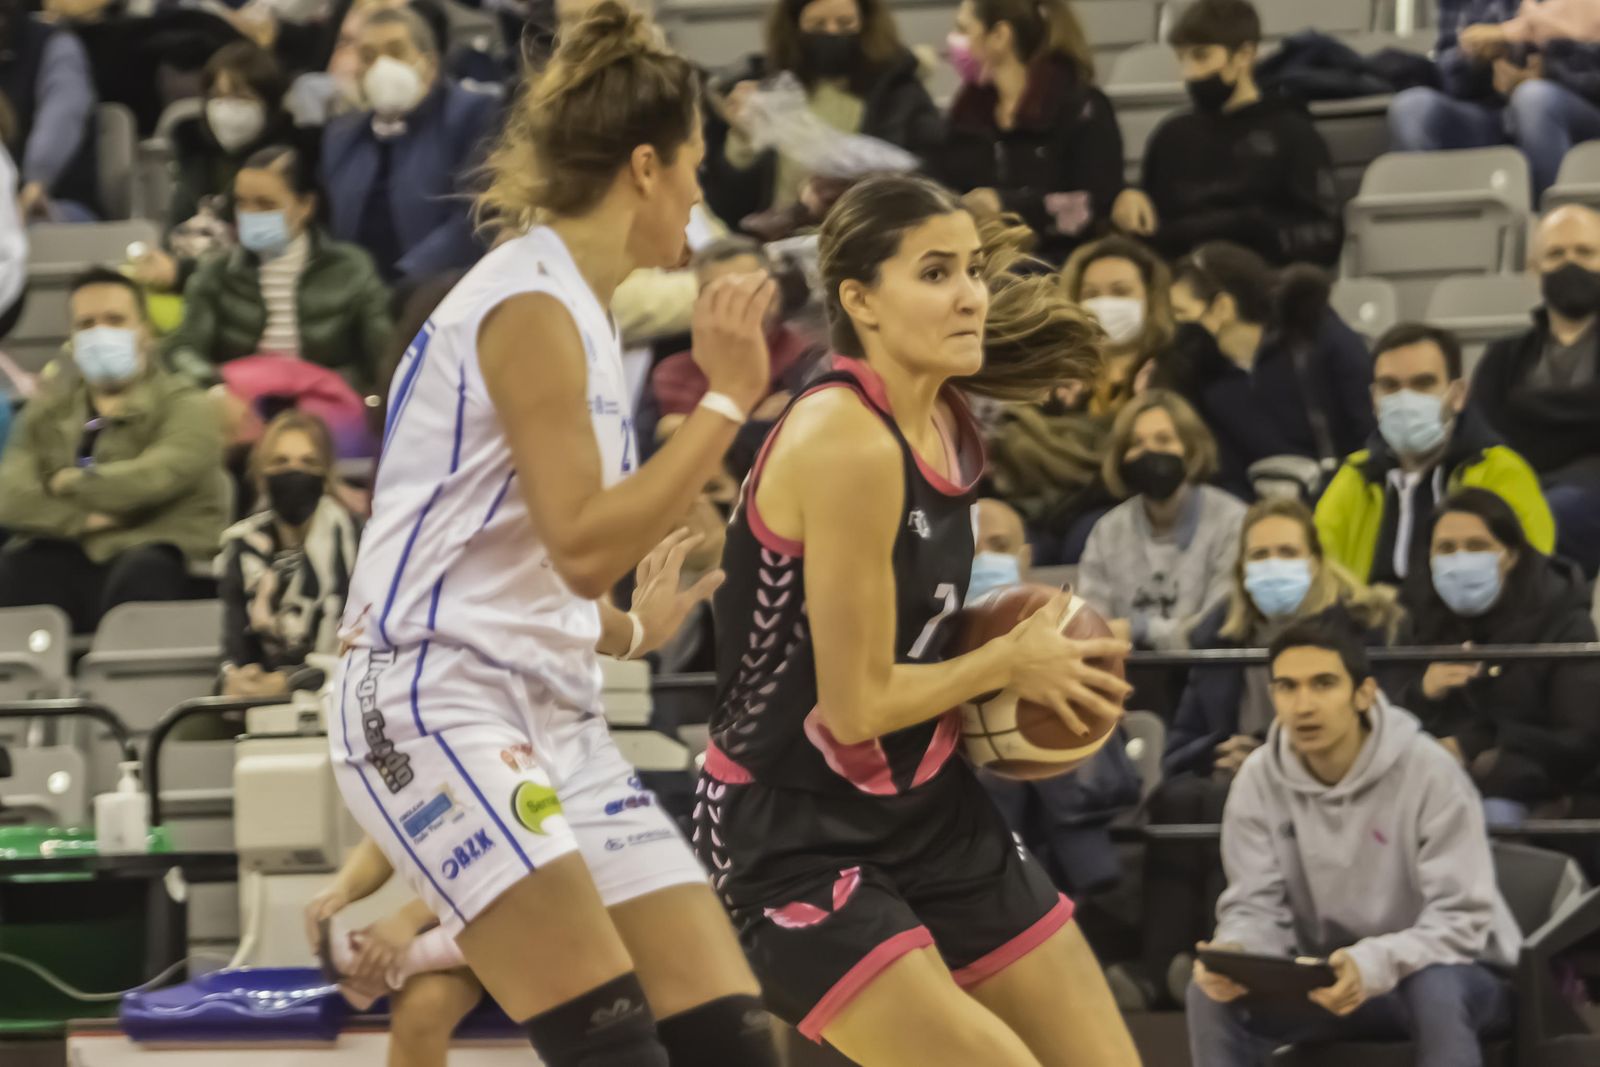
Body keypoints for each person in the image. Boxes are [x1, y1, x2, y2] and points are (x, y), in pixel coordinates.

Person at [330, 7, 784, 1065]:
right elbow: (581, 541)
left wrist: (624, 633)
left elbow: (524, 561)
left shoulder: (579, 301)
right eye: (693, 168)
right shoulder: (526, 304)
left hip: (543, 709)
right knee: (611, 1044)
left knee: (734, 1038)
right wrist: (727, 402)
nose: (696, 195)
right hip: (428, 699)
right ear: (643, 167)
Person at [695, 172, 1140, 1065]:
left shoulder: (946, 412)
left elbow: (911, 626)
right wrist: (1012, 661)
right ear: (859, 299)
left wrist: (1038, 652)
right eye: (936, 273)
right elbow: (855, 707)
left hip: (927, 804)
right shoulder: (844, 438)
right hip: (793, 828)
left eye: (973, 269)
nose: (973, 294)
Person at [1186, 616, 1520, 1067]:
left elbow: (1461, 921)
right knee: (1210, 989)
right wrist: (1238, 950)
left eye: (1323, 684)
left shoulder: (1430, 771)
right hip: (1329, 981)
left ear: (1363, 693)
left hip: (1456, 975)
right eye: (1288, 687)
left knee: (1434, 986)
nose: (1304, 705)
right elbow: (1255, 906)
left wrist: (1374, 962)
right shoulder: (1258, 779)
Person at [1109, 498, 1402, 1011]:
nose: (1273, 565)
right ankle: (1162, 971)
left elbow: (1374, 725)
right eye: (1259, 555)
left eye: (1286, 552)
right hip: (1228, 781)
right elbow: (1178, 750)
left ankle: (1232, 962)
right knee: (1179, 797)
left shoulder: (1360, 625)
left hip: (1326, 782)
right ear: (1242, 570)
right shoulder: (1220, 633)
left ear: (1315, 560)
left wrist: (1270, 751)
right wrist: (1220, 751)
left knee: (1230, 798)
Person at [0, 268, 227, 633]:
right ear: (71, 338)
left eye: (115, 320)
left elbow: (154, 478)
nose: (100, 333)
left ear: (146, 333)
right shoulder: (46, 411)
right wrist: (81, 520)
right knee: (14, 568)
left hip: (163, 552)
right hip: (70, 549)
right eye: (86, 324)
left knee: (145, 570)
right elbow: (10, 495)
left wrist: (69, 481)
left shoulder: (187, 404)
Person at [1399, 488, 1600, 827]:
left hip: (1529, 790)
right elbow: (1377, 724)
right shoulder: (1413, 620)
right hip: (1422, 788)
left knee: (1492, 818)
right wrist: (1422, 693)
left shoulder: (1563, 619)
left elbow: (1580, 740)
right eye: (1446, 548)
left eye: (1477, 546)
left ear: (1511, 554)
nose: (1460, 560)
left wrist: (1475, 745)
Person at [1316, 323, 1554, 586]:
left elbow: (1533, 581)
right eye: (1390, 385)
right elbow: (1319, 577)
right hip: (1369, 621)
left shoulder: (1501, 472)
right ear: (1374, 398)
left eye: (1423, 383)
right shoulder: (1356, 476)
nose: (1405, 398)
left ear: (1457, 395)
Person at [1109, 0, 1341, 269]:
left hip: (1264, 287)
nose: (1188, 72)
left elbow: (1325, 236)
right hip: (1180, 287)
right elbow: (1150, 234)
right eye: (1182, 58)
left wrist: (1250, 228)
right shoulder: (1172, 135)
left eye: (1201, 56)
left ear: (1244, 55)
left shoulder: (1293, 133)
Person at [165, 145, 393, 392]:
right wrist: (213, 386)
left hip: (329, 408)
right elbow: (183, 350)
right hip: (241, 403)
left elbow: (385, 355)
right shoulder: (215, 274)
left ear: (306, 205)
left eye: (266, 204)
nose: (249, 215)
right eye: (242, 202)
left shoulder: (352, 268)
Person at [701, 0, 941, 234]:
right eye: (817, 25)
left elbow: (931, 174)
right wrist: (743, 138)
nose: (832, 32)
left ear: (866, 23)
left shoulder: (898, 92)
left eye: (845, 23)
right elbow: (729, 202)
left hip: (867, 240)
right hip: (777, 243)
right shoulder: (765, 88)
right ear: (794, 25)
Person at [1169, 242, 1373, 497]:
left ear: (1221, 307)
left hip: (1342, 499)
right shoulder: (1202, 377)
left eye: (1181, 313)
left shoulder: (1319, 338)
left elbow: (1366, 428)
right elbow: (1224, 472)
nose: (1175, 327)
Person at [933, 0, 1123, 262]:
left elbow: (1096, 203)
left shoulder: (1082, 107)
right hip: (982, 265)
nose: (954, 41)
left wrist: (1003, 205)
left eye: (964, 30)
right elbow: (942, 182)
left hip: (1061, 267)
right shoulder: (966, 112)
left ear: (1000, 36)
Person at [320, 6, 496, 283]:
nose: (382, 66)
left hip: (441, 286)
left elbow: (475, 215)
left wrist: (413, 279)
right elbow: (333, 228)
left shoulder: (471, 114)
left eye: (396, 51)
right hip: (362, 293)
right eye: (369, 56)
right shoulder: (342, 136)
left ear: (429, 63)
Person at [1471, 204, 1600, 574]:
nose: (1570, 263)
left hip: (1587, 495)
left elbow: (1508, 422)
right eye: (1556, 254)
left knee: (1544, 517)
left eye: (1585, 252)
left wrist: (1527, 412)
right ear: (1533, 269)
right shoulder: (1504, 356)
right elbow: (1483, 435)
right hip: (1517, 484)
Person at [1078, 390, 1246, 652]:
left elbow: (1215, 628)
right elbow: (1092, 629)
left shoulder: (1233, 521)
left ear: (1190, 449)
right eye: (1137, 443)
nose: (1150, 452)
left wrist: (1138, 630)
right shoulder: (1108, 531)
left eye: (1164, 440)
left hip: (1207, 672)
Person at [1387, 0, 1600, 198]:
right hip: (1491, 114)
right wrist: (1476, 59)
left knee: (1533, 98)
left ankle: (1552, 228)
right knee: (1412, 108)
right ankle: (1427, 229)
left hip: (1575, 110)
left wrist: (1547, 69)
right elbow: (1448, 76)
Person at [305, 836, 485, 1067]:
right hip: (469, 933)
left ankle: (397, 966)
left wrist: (410, 918)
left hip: (526, 917)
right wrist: (338, 891)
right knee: (421, 1009)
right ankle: (400, 965)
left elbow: (515, 867)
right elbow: (383, 839)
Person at [218, 411, 360, 700]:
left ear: (326, 474)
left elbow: (363, 652)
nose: (295, 472)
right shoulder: (242, 546)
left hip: (345, 696)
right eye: (280, 462)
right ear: (262, 475)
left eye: (308, 462)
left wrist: (290, 683)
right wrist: (238, 679)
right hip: (261, 702)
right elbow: (235, 651)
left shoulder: (357, 541)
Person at [0, 0, 99, 223]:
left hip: (59, 202)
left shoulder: (55, 46)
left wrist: (34, 186)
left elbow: (61, 123)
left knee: (33, 221)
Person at [1061, 235, 1176, 415]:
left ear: (1152, 298)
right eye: (1091, 295)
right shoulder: (1061, 380)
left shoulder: (1174, 372)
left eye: (1120, 291)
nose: (1105, 303)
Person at [969, 497, 1032, 602]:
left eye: (1000, 545)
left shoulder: (1058, 617)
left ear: (1025, 558)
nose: (983, 556)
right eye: (970, 549)